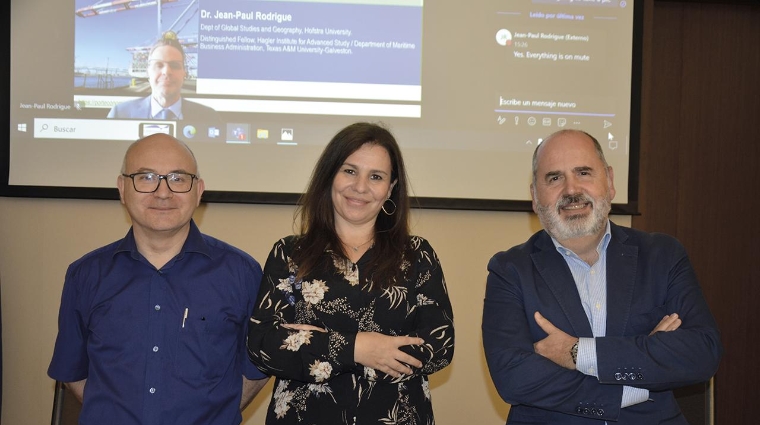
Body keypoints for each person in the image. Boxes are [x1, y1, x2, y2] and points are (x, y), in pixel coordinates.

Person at [482, 129, 722, 424]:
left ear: (609, 182)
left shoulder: (662, 255)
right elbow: (514, 377)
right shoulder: (510, 270)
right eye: (554, 178)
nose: (571, 190)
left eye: (584, 172)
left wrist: (577, 352)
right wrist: (633, 385)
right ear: (534, 196)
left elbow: (701, 352)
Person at [48, 133, 268, 424]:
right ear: (122, 188)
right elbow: (73, 373)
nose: (163, 192)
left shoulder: (242, 273)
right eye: (146, 177)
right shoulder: (85, 275)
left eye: (178, 178)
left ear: (198, 190)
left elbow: (257, 368)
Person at [247, 122, 454, 424]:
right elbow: (263, 345)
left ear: (391, 188)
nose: (360, 187)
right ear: (330, 175)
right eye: (349, 171)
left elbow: (439, 346)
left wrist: (316, 341)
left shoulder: (418, 255)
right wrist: (357, 348)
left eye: (376, 176)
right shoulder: (289, 254)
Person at [107, 32, 220, 122]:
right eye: (159, 65)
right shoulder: (119, 114)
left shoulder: (210, 118)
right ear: (148, 72)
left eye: (175, 65)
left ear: (184, 73)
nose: (166, 71)